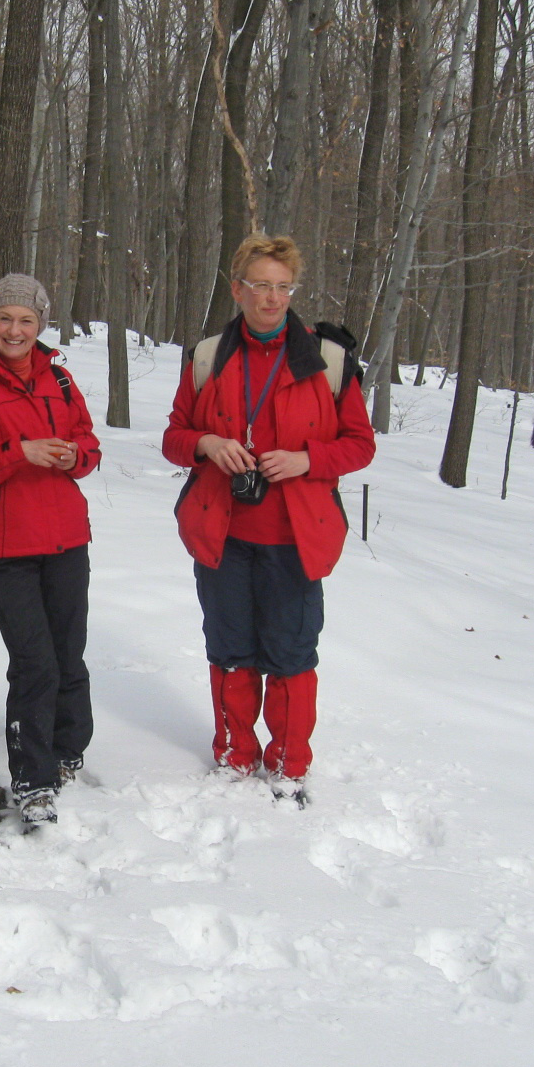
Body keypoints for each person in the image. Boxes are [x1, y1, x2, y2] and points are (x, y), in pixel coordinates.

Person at [162, 234, 374, 806]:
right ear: (238, 289)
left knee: (291, 650)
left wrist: (308, 459)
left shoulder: (327, 359)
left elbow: (360, 445)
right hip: (224, 533)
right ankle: (235, 754)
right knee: (230, 646)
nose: (273, 298)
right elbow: (173, 439)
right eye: (261, 285)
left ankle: (288, 762)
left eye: (284, 287)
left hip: (296, 537)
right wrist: (206, 442)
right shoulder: (209, 356)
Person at [0, 274, 102, 828]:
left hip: (66, 537)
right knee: (35, 661)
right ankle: (33, 780)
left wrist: (73, 458)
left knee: (69, 655)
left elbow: (89, 443)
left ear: (41, 325)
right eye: (5, 319)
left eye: (26, 320)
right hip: (5, 546)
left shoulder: (59, 380)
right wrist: (21, 451)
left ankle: (67, 750)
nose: (15, 330)